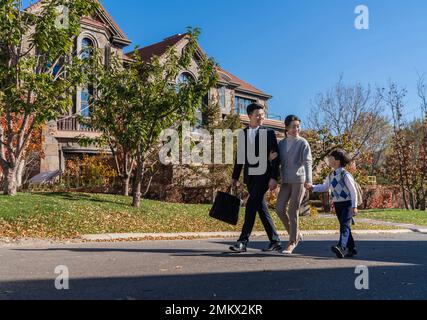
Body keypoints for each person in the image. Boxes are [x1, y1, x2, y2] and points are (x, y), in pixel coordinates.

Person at [229, 103, 282, 253]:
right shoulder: (243, 134)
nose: (261, 117)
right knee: (261, 208)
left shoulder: (269, 133)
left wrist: (274, 178)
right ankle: (275, 241)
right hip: (249, 177)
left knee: (251, 206)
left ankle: (242, 241)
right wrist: (235, 176)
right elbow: (240, 157)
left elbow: (276, 158)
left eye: (262, 115)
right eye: (258, 115)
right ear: (250, 116)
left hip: (264, 176)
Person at [270, 115, 313, 255]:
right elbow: (276, 161)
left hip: (299, 180)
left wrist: (309, 180)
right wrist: (271, 159)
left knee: (292, 210)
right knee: (279, 208)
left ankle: (292, 242)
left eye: (298, 126)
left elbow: (307, 162)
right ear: (287, 127)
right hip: (286, 181)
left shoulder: (303, 143)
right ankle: (296, 234)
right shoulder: (281, 144)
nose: (297, 129)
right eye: (294, 126)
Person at [306, 149, 359, 259]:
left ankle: (341, 247)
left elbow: (353, 191)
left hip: (347, 204)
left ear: (337, 160)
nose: (328, 159)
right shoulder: (331, 175)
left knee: (344, 225)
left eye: (330, 157)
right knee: (345, 226)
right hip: (338, 204)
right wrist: (313, 187)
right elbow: (325, 187)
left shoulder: (345, 175)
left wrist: (354, 206)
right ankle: (352, 248)